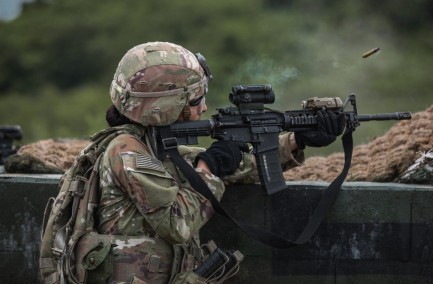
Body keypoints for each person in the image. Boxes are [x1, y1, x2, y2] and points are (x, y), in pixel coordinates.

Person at [75, 41, 344, 283]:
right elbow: (175, 224)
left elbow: (234, 166)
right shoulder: (127, 152)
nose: (203, 108)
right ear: (166, 105)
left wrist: (297, 139)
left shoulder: (149, 145)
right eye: (195, 100)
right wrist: (208, 169)